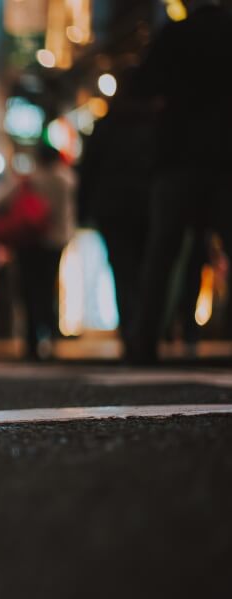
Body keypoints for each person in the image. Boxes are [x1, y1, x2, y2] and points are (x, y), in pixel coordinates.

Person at [131, 0, 232, 363]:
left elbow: (140, 85)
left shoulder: (176, 33)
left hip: (178, 156)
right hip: (225, 157)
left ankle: (144, 343)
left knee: (162, 253)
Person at [76, 67, 156, 353]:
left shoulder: (106, 126)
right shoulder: (154, 125)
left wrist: (83, 209)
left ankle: (132, 332)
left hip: (112, 207)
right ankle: (148, 331)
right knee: (147, 267)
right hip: (147, 204)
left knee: (122, 270)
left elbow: (88, 171)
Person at [15, 145, 76, 360]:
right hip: (56, 240)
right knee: (49, 288)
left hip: (31, 238)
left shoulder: (34, 179)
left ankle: (32, 341)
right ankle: (51, 336)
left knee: (30, 291)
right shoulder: (67, 179)